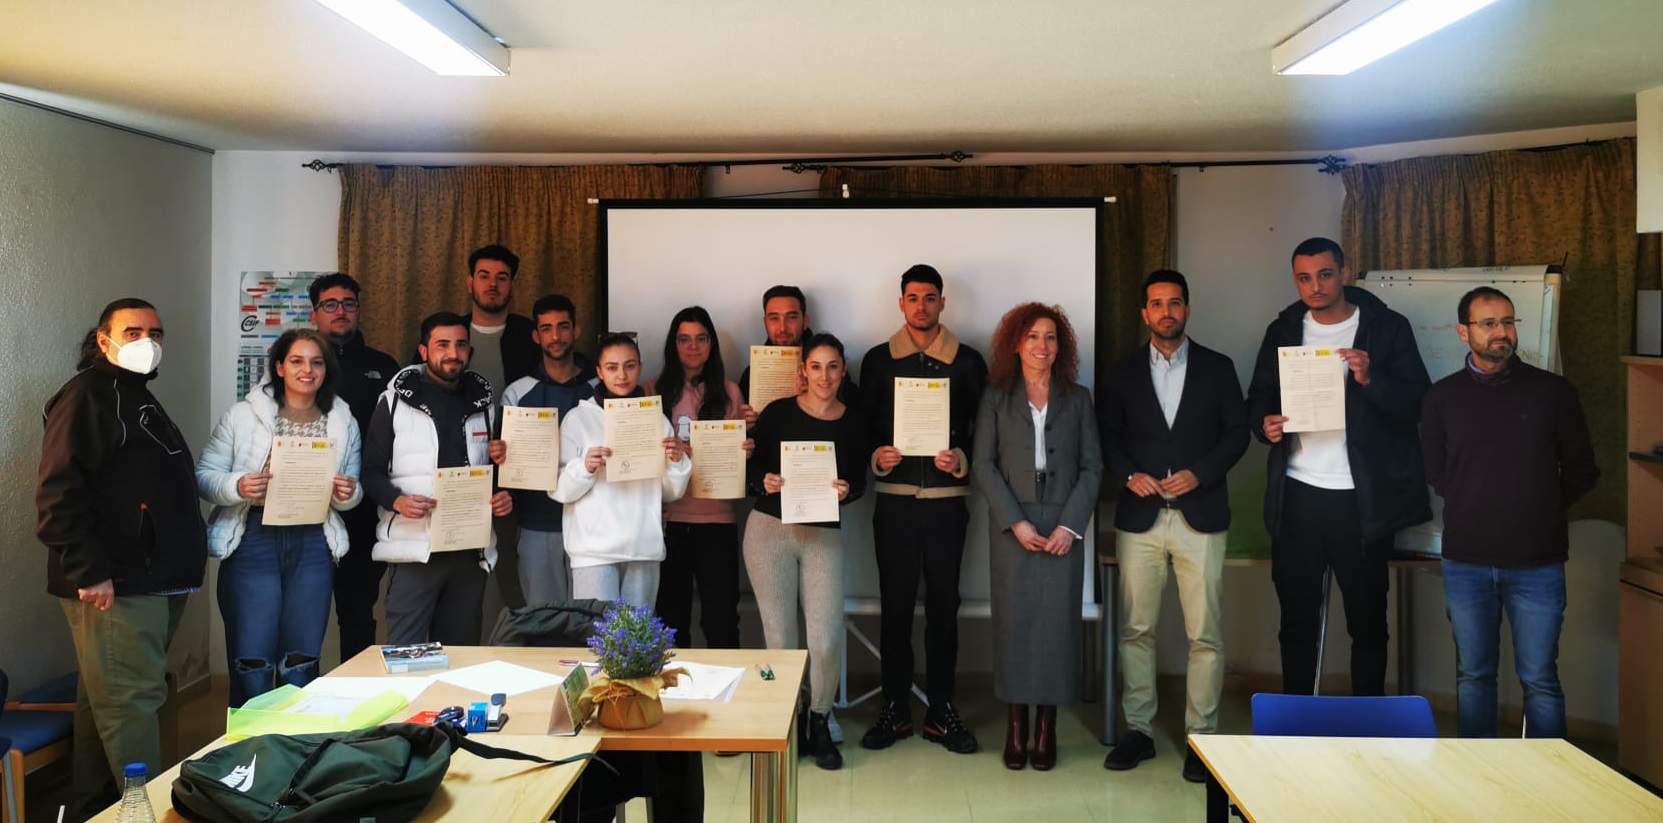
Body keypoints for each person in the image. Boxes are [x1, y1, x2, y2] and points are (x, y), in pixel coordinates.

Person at [36, 298, 207, 810]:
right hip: (117, 583)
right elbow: (57, 495)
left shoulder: (133, 395)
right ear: (103, 339)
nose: (146, 342)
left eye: (155, 332)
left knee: (103, 700)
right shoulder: (88, 395)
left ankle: (92, 806)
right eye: (132, 331)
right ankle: (149, 812)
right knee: (131, 704)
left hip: (153, 580)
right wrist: (90, 571)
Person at [1245, 237, 1431, 697]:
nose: (1315, 286)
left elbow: (1419, 404)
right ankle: (1296, 724)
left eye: (1325, 274)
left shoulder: (1385, 327)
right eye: (1304, 277)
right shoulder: (1284, 329)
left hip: (1362, 500)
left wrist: (1370, 379)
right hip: (1299, 494)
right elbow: (1259, 398)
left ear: (1343, 272)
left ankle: (1365, 726)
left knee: (1368, 622)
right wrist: (1262, 425)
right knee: (1296, 621)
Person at [1420, 286, 1598, 738]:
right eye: (1489, 324)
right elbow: (1436, 471)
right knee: (1473, 677)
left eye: (1508, 322)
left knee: (1540, 680)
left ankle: (1547, 785)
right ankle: (1480, 786)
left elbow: (1581, 470)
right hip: (1466, 562)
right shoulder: (1442, 398)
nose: (1502, 332)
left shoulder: (1553, 393)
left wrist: (1537, 505)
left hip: (1537, 562)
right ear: (1463, 332)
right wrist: (1477, 500)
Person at [1098, 271, 1248, 781]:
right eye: (1157, 304)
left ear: (1187, 308)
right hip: (1140, 519)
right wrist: (1127, 474)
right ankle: (1138, 730)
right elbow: (1107, 438)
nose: (1166, 312)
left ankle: (1201, 740)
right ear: (1144, 313)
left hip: (1199, 517)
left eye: (1175, 303)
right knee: (1136, 629)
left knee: (1203, 633)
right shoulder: (1119, 374)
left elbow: (1237, 433)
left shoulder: (1218, 368)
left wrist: (1200, 473)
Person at [859, 263, 988, 755]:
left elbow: (986, 432)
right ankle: (894, 708)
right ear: (901, 303)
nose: (921, 306)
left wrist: (963, 459)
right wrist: (877, 456)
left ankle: (941, 710)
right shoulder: (876, 361)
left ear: (942, 303)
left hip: (946, 505)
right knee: (894, 608)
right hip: (893, 505)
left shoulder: (969, 362)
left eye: (930, 298)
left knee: (943, 608)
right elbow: (864, 426)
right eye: (912, 298)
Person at [195, 329, 363, 707]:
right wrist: (240, 485)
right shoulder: (242, 416)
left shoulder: (342, 419)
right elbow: (204, 477)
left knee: (302, 658)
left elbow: (354, 487)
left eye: (317, 362)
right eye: (297, 361)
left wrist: (349, 494)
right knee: (252, 659)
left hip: (313, 542)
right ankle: (251, 747)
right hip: (253, 539)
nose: (308, 370)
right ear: (279, 367)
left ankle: (294, 748)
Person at [972, 303, 1102, 772]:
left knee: (1057, 626)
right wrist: (1016, 521)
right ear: (1016, 344)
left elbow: (1093, 467)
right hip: (1014, 522)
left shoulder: (1079, 398)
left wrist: (1070, 526)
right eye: (1032, 337)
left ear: (1059, 346)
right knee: (1015, 623)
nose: (1041, 346)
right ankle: (1015, 727)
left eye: (1050, 337)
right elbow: (983, 464)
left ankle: (1046, 728)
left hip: (1063, 518)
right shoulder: (996, 396)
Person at [744, 332, 867, 770]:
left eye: (833, 366)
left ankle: (820, 719)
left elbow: (858, 483)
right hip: (769, 532)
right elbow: (753, 466)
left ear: (843, 370)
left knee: (826, 637)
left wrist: (848, 489)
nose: (824, 376)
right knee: (780, 638)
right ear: (803, 371)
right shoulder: (777, 413)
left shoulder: (853, 420)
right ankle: (789, 720)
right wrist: (767, 481)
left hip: (821, 535)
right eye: (816, 366)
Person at [363, 312, 513, 646]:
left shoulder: (484, 405)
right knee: (407, 656)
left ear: (469, 352)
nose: (452, 353)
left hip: (469, 552)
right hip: (415, 549)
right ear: (423, 350)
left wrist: (501, 494)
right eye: (442, 344)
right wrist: (397, 501)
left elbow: (491, 470)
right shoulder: (393, 403)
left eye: (460, 345)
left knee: (460, 656)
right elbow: (370, 471)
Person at [554, 333, 691, 606]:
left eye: (629, 366)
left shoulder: (656, 418)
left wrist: (676, 461)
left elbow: (670, 493)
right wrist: (585, 467)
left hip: (643, 547)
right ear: (599, 372)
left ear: (639, 368)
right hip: (592, 550)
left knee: (637, 641)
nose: (622, 375)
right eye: (612, 367)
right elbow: (557, 489)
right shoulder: (578, 419)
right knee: (598, 640)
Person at [645, 306, 749, 649]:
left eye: (701, 339)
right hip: (667, 521)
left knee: (720, 620)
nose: (693, 347)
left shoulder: (730, 392)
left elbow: (738, 461)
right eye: (684, 339)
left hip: (716, 521)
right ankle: (675, 698)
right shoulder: (651, 392)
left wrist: (745, 450)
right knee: (671, 620)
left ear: (712, 344)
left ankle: (726, 701)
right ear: (673, 345)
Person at [309, 273, 400, 662]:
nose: (340, 311)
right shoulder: (302, 363)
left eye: (348, 303)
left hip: (363, 510)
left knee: (358, 612)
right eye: (330, 304)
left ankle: (358, 693)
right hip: (306, 510)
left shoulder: (383, 366)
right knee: (302, 612)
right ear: (315, 313)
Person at [501, 294, 596, 607]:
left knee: (591, 622)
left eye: (563, 327)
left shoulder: (601, 386)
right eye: (546, 329)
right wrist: (501, 454)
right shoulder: (517, 392)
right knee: (544, 620)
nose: (556, 337)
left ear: (576, 330)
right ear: (535, 336)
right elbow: (506, 464)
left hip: (593, 524)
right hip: (537, 523)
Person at [738, 284, 857, 412]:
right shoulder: (751, 375)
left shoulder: (830, 366)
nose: (782, 328)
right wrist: (746, 425)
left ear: (805, 321)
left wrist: (821, 393)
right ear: (765, 323)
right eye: (774, 318)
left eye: (792, 317)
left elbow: (852, 416)